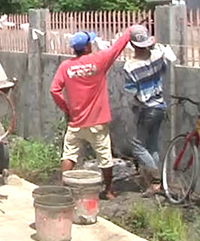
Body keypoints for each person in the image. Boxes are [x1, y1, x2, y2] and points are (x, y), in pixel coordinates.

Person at [49, 26, 133, 200]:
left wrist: (67, 109)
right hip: (97, 122)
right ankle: (108, 191)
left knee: (69, 155)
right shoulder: (99, 60)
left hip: (76, 122)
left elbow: (54, 90)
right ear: (86, 47)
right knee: (105, 157)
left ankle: (64, 189)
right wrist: (129, 32)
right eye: (90, 43)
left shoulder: (66, 67)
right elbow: (116, 48)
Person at [123, 25, 177, 197]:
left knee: (138, 146)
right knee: (152, 146)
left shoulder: (130, 66)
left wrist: (133, 107)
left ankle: (155, 179)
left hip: (145, 109)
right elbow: (164, 71)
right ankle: (158, 184)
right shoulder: (157, 56)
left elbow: (131, 93)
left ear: (131, 44)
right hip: (160, 106)